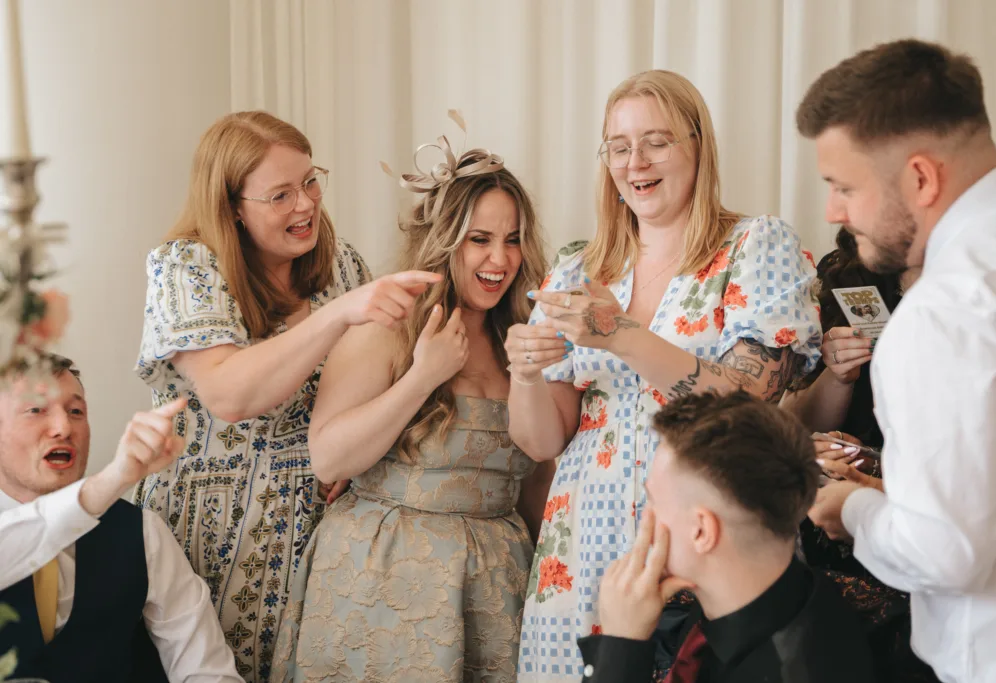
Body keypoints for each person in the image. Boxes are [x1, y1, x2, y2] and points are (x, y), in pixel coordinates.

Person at [508, 69, 822, 680]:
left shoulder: (754, 247)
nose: (635, 161)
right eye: (619, 146)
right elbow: (544, 440)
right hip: (585, 550)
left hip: (708, 537)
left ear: (697, 144)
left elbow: (750, 402)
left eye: (656, 140)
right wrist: (525, 372)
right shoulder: (578, 267)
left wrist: (622, 336)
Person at [132, 111, 440, 681]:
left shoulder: (341, 263)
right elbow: (229, 393)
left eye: (310, 181)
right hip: (214, 532)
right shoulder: (186, 265)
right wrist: (338, 316)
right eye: (280, 194)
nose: (305, 205)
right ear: (232, 208)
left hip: (325, 526)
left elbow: (370, 384)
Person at [270, 129, 553, 682]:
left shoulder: (520, 340)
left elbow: (539, 477)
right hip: (383, 581)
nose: (501, 259)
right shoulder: (387, 329)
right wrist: (423, 377)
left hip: (495, 589)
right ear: (445, 241)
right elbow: (328, 459)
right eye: (480, 239)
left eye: (513, 239)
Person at [799, 39, 996, 682]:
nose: (832, 212)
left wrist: (850, 510)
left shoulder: (943, 312)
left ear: (921, 178)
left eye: (844, 187)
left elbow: (946, 552)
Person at [578, 391, 875, 683]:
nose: (646, 517)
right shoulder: (772, 597)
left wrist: (618, 649)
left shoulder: (791, 668)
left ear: (701, 531)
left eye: (653, 501)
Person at [0, 355, 242, 682]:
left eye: (76, 411)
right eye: (35, 409)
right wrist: (116, 477)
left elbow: (206, 670)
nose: (64, 428)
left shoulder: (141, 533)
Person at [780, 229, 935, 682]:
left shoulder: (985, 282)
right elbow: (801, 424)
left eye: (848, 188)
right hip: (848, 505)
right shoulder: (849, 275)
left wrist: (875, 487)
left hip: (923, 511)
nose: (836, 211)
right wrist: (838, 375)